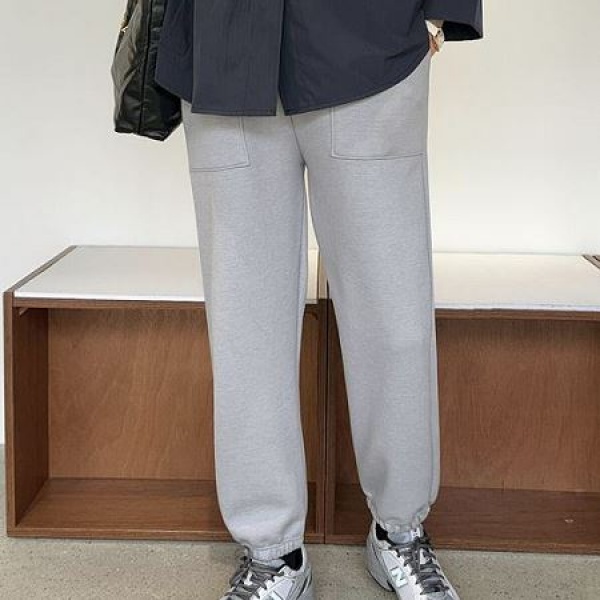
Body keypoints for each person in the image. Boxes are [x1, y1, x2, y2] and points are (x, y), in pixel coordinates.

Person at [154, 1, 483, 598]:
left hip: (371, 41)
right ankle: (271, 554)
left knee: (392, 315)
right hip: (223, 48)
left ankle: (400, 533)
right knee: (245, 324)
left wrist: (441, 12)